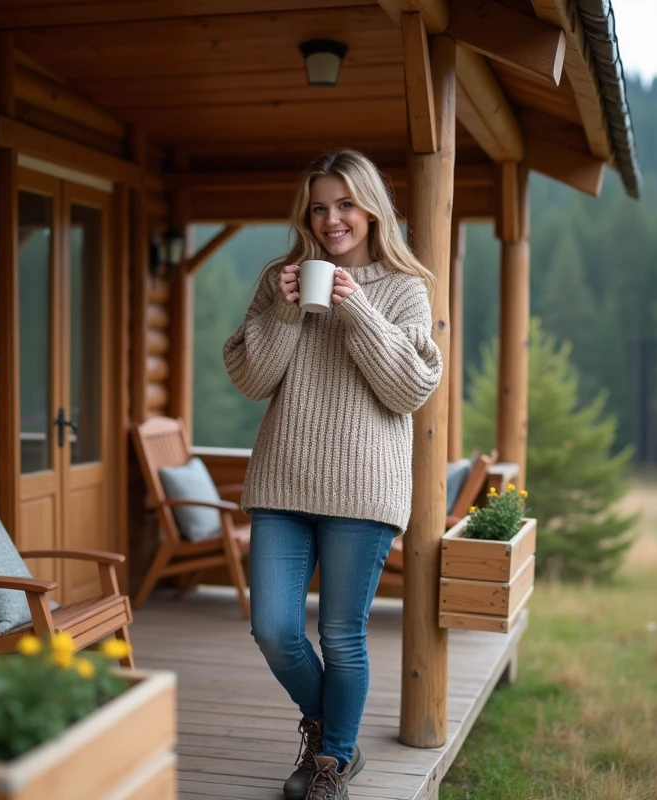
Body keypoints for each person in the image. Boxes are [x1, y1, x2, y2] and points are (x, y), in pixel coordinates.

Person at [222, 149, 443, 800]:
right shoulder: (281, 279)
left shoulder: (404, 288)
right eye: (319, 207)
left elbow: (407, 390)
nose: (331, 219)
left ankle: (328, 767)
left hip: (363, 489)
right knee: (274, 628)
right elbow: (251, 379)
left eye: (345, 204)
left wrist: (356, 309)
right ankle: (333, 735)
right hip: (282, 482)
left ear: (371, 207)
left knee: (342, 636)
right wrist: (287, 310)